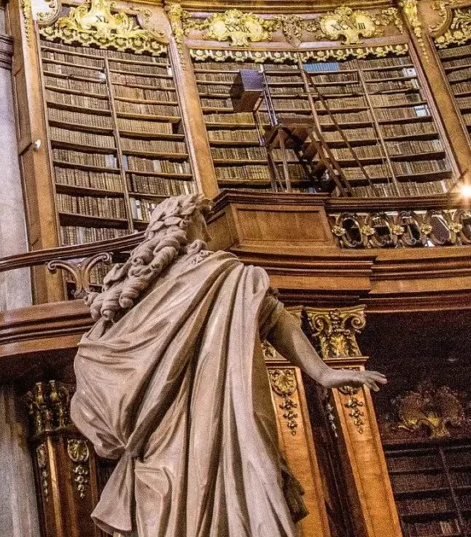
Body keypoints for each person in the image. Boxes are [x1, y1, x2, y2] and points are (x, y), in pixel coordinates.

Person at [71, 193, 386, 537]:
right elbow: (275, 319)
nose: (207, 231)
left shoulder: (223, 276)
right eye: (201, 220)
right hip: (166, 434)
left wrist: (323, 372)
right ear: (188, 224)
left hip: (221, 419)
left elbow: (272, 317)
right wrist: (321, 372)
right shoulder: (160, 288)